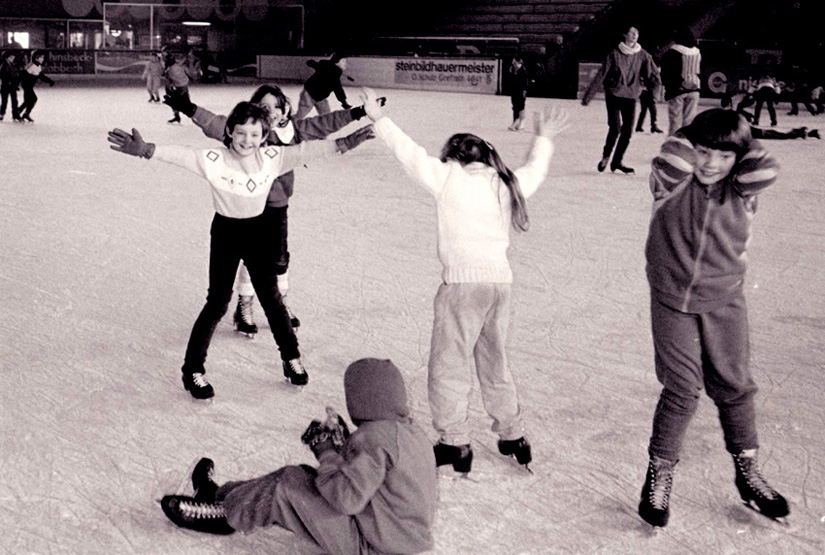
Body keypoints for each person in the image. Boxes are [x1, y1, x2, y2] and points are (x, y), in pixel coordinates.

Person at [361, 87, 569, 474]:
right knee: (495, 361)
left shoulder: (449, 178)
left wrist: (380, 119)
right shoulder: (505, 183)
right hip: (499, 288)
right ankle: (512, 432)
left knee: (449, 363)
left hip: (462, 288)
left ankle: (455, 440)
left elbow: (410, 154)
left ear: (453, 158)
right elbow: (535, 170)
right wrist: (544, 139)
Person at [107, 101, 374, 398]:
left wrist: (345, 143)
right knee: (217, 302)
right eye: (241, 133)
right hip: (226, 233)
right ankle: (192, 370)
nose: (247, 140)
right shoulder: (213, 159)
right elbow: (181, 154)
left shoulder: (272, 157)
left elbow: (307, 151)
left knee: (272, 300)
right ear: (230, 132)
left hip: (259, 233)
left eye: (255, 134)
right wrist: (146, 150)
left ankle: (291, 358)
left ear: (264, 136)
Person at [639, 108, 789, 528]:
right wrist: (692, 135)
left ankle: (748, 471)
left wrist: (740, 141)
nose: (710, 163)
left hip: (725, 299)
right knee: (683, 390)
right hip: (672, 299)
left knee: (735, 386)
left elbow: (766, 166)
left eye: (724, 156)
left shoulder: (742, 188)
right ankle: (659, 474)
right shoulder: (671, 182)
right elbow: (671, 157)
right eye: (704, 151)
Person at [160, 358, 438, 555]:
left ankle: (223, 517)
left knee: (286, 486)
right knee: (302, 478)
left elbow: (346, 498)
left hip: (372, 546)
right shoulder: (410, 434)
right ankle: (219, 495)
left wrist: (326, 450)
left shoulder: (376, 438)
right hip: (393, 540)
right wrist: (342, 443)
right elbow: (378, 483)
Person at [165, 84, 378, 336]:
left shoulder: (293, 130)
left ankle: (281, 301)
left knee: (278, 257)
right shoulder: (248, 131)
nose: (272, 111)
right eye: (265, 107)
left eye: (277, 106)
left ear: (285, 108)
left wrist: (358, 112)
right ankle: (245, 305)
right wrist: (190, 109)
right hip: (246, 205)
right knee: (251, 257)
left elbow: (325, 123)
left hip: (277, 205)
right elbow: (215, 123)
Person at [582, 24, 660, 174]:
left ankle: (617, 162)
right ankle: (606, 156)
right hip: (614, 94)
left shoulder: (643, 54)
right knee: (615, 127)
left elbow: (654, 75)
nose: (634, 35)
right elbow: (601, 74)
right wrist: (588, 96)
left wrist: (654, 93)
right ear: (624, 34)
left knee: (628, 131)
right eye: (631, 32)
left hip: (631, 96)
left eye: (636, 32)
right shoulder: (614, 54)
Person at [660, 27, 702, 135]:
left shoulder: (673, 53)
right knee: (689, 121)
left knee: (675, 122)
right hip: (694, 88)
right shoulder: (697, 52)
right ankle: (686, 145)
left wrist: (669, 86)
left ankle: (674, 145)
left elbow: (666, 72)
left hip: (677, 90)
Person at [294, 53, 352, 119]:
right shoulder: (335, 72)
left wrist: (311, 63)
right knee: (301, 115)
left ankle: (294, 122)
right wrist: (344, 102)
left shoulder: (325, 65)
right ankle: (290, 124)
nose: (345, 64)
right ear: (336, 61)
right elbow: (338, 88)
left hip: (320, 97)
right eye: (343, 61)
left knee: (326, 116)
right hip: (309, 95)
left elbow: (315, 65)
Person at [18, 50, 54, 123]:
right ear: (36, 58)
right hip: (26, 85)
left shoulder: (38, 66)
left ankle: (22, 113)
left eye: (43, 57)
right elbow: (22, 75)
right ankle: (20, 113)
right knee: (32, 99)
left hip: (30, 86)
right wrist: (15, 84)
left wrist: (49, 81)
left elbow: (41, 76)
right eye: (41, 58)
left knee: (29, 100)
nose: (43, 59)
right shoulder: (31, 66)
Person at [163, 53, 194, 124]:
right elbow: (186, 70)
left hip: (179, 86)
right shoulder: (179, 67)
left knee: (176, 102)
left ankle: (179, 115)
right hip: (183, 84)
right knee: (184, 100)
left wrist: (168, 90)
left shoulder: (169, 71)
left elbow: (168, 82)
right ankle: (188, 113)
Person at [635, 62, 663, 134]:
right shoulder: (652, 73)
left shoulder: (646, 71)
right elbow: (654, 83)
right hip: (649, 92)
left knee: (644, 110)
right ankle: (653, 126)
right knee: (652, 110)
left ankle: (639, 126)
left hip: (645, 92)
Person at [508, 56, 529, 131]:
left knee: (520, 106)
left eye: (515, 63)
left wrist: (524, 91)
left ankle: (520, 122)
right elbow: (511, 80)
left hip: (520, 91)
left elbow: (525, 82)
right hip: (514, 91)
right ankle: (515, 121)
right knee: (515, 106)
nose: (513, 64)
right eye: (513, 63)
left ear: (519, 63)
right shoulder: (513, 70)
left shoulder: (523, 71)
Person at [0, 50, 22, 122]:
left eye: (13, 57)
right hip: (5, 86)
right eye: (11, 57)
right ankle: (1, 114)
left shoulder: (12, 65)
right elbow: (3, 76)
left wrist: (15, 84)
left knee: (14, 101)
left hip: (12, 86)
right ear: (6, 58)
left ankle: (15, 114)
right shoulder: (3, 66)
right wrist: (9, 82)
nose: (13, 59)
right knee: (4, 101)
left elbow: (14, 75)